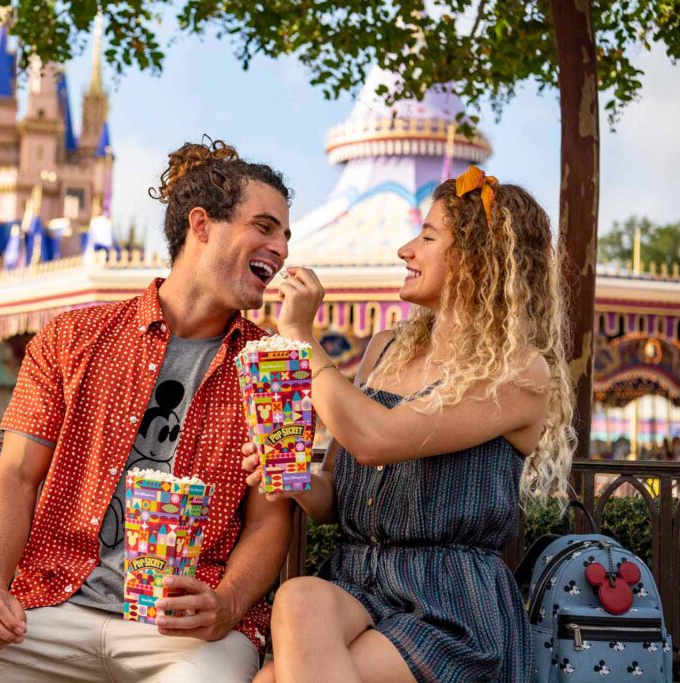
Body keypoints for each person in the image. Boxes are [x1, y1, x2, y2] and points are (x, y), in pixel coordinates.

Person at [0, 138, 295, 682]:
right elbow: (16, 476)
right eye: (265, 227)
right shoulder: (72, 338)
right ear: (202, 225)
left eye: (285, 234)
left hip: (188, 630)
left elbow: (270, 520)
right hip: (51, 606)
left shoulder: (274, 369)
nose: (281, 248)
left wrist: (230, 604)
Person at [244, 167, 575, 682]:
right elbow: (340, 493)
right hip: (358, 581)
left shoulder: (517, 373)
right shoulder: (385, 348)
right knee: (299, 594)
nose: (406, 250)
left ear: (476, 260)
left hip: (447, 601)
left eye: (427, 237)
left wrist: (300, 337)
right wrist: (300, 481)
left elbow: (376, 439)